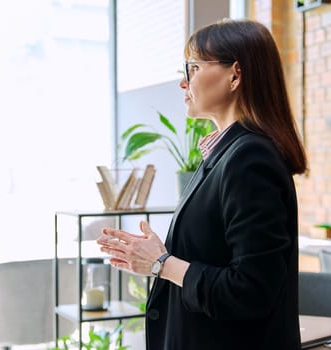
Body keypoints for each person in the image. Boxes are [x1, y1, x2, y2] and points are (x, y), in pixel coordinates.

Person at [97, 19, 307, 350]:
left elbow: (250, 291)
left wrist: (162, 264)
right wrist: (157, 256)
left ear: (235, 75)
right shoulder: (227, 152)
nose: (183, 82)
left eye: (193, 67)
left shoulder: (249, 158)